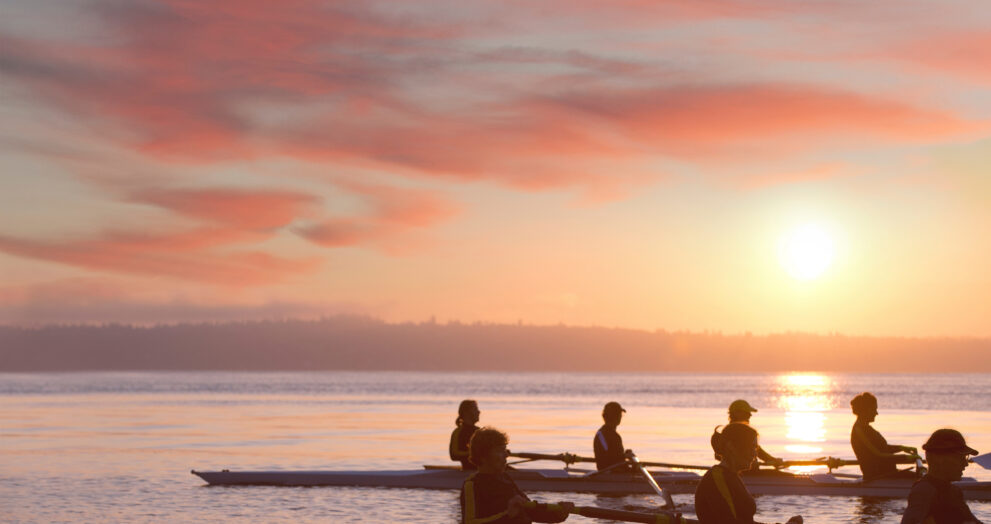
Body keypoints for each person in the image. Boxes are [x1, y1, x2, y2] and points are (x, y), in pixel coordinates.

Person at [460, 427, 572, 524]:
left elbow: (531, 511)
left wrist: (559, 513)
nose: (505, 455)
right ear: (483, 456)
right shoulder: (472, 485)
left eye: (505, 450)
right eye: (499, 450)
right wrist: (508, 515)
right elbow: (469, 522)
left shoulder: (506, 479)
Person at [696, 423, 803, 524]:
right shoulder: (718, 478)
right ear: (731, 447)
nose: (754, 453)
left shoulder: (732, 476)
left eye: (755, 448)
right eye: (751, 447)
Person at [901, 428, 983, 524]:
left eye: (965, 458)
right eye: (960, 458)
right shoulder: (924, 490)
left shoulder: (954, 491)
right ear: (939, 459)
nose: (965, 463)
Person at [849, 392, 919, 482]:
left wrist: (901, 448)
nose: (876, 413)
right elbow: (878, 455)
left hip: (887, 474)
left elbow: (883, 448)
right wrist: (905, 458)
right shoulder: (859, 431)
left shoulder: (867, 428)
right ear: (865, 410)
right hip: (877, 477)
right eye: (874, 409)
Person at [728, 399, 785, 470]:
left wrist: (771, 460)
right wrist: (772, 460)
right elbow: (757, 450)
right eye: (747, 412)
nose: (750, 415)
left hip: (745, 470)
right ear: (737, 413)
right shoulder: (741, 432)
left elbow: (756, 449)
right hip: (746, 472)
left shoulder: (727, 431)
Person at [593, 401, 629, 472]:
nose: (620, 416)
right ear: (613, 416)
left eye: (620, 414)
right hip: (611, 473)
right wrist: (625, 456)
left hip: (613, 471)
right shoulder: (609, 435)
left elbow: (613, 456)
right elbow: (611, 459)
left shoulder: (603, 433)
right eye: (618, 414)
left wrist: (625, 455)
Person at [451, 399, 481, 470]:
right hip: (470, 470)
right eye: (475, 409)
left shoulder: (480, 431)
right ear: (466, 413)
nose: (479, 412)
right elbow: (454, 455)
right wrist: (475, 453)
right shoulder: (458, 432)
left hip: (487, 469)